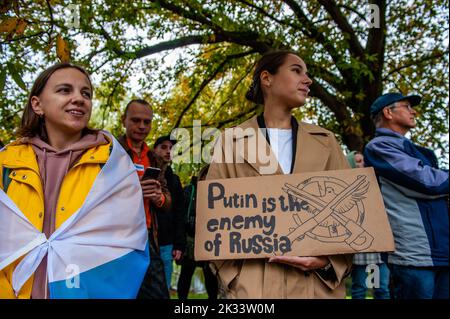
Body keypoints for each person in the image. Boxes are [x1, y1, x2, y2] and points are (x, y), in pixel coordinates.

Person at [206, 50, 353, 298]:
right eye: (297, 70)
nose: (308, 80)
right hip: (253, 291)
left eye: (307, 73)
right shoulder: (230, 141)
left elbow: (351, 210)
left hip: (316, 288)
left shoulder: (326, 141)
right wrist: (234, 277)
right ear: (267, 78)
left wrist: (327, 262)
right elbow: (212, 217)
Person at [0, 63, 149, 299]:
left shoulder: (112, 164)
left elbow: (127, 242)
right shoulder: (6, 163)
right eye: (64, 90)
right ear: (37, 105)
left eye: (86, 93)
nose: (79, 98)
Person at [364, 92, 449, 299]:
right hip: (413, 253)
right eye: (406, 106)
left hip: (439, 251)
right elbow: (426, 182)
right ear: (388, 112)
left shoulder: (415, 150)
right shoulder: (378, 147)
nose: (413, 111)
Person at [118, 99, 172, 299]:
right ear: (124, 120)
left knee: (158, 295)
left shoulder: (154, 158)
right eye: (136, 120)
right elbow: (97, 196)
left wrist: (159, 198)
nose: (142, 126)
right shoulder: (110, 152)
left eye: (147, 122)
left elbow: (168, 201)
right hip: (117, 237)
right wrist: (133, 192)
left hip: (147, 236)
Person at [346, 151, 390, 299]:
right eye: (357, 161)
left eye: (363, 161)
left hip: (379, 246)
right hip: (360, 247)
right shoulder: (345, 188)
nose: (362, 164)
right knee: (359, 288)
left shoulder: (376, 183)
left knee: (381, 287)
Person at [177, 165, 218, 300]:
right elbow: (180, 217)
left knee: (210, 275)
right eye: (206, 175)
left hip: (209, 241)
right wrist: (180, 243)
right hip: (191, 240)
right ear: (201, 176)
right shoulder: (189, 191)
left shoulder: (218, 192)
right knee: (186, 274)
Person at [152, 135, 186, 289]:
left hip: (167, 243)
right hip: (144, 241)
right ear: (154, 150)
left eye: (171, 148)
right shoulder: (145, 174)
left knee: (163, 288)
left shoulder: (174, 180)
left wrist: (179, 244)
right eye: (163, 147)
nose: (168, 151)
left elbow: (180, 214)